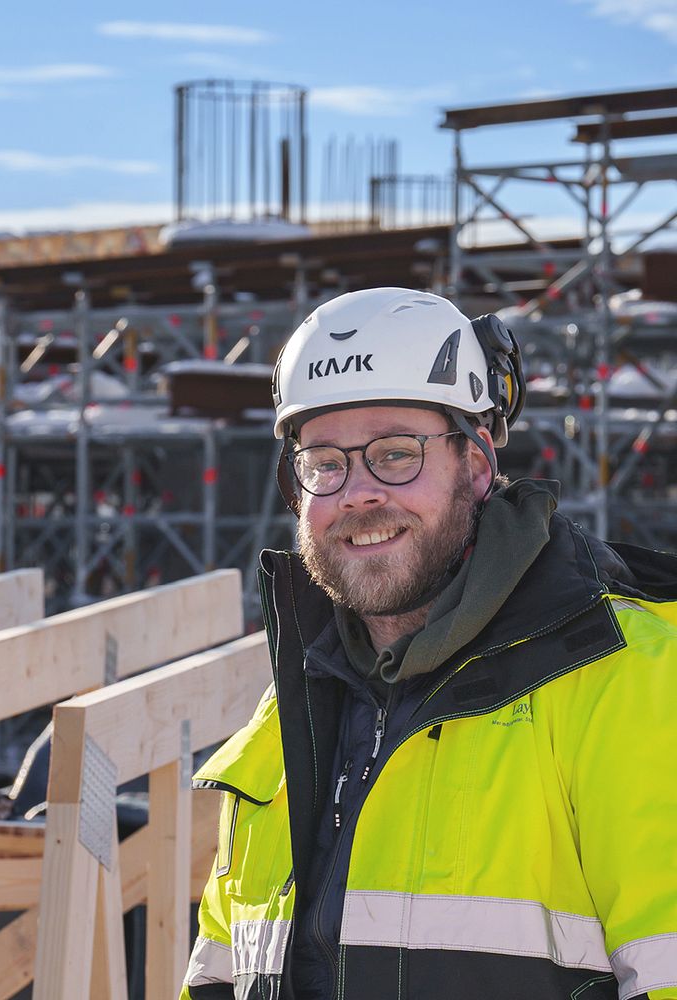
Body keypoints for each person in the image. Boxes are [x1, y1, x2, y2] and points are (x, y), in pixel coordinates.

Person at [180, 287, 677, 1000]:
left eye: (394, 454)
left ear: (477, 465)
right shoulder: (293, 706)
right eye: (325, 463)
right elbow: (217, 977)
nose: (357, 493)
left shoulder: (625, 675)